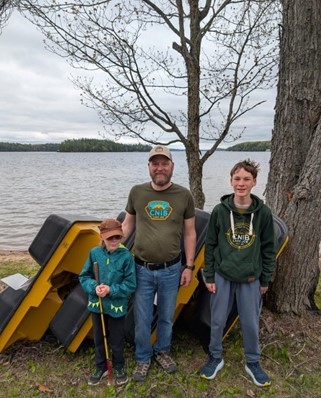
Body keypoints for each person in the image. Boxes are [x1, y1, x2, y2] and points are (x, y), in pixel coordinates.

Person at [122, 145, 197, 382]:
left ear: (172, 166)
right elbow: (127, 226)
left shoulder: (184, 195)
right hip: (141, 268)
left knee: (165, 316)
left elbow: (190, 233)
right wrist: (109, 251)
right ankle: (143, 357)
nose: (160, 168)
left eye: (164, 163)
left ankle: (163, 351)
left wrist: (190, 266)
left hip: (171, 269)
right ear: (149, 167)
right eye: (155, 163)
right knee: (142, 318)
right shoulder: (137, 192)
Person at [199, 159, 277, 387]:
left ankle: (253, 362)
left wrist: (265, 279)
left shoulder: (263, 213)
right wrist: (210, 276)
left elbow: (269, 249)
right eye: (237, 179)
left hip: (251, 279)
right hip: (223, 277)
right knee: (218, 320)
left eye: (246, 179)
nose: (241, 183)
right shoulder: (220, 211)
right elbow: (211, 245)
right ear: (231, 181)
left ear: (254, 182)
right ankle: (215, 357)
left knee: (251, 322)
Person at [79, 218, 136, 386]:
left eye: (117, 237)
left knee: (117, 339)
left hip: (117, 307)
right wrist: (94, 287)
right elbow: (84, 276)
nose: (114, 241)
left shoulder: (126, 256)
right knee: (99, 337)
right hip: (97, 306)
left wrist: (111, 290)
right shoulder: (94, 253)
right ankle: (101, 366)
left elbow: (131, 284)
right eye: (110, 237)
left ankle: (118, 366)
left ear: (122, 237)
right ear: (102, 237)